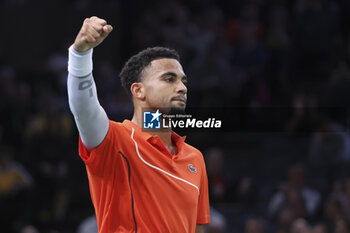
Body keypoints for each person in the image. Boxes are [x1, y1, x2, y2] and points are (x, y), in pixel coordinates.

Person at [67, 16, 210, 233]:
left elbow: (197, 228)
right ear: (138, 90)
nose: (182, 88)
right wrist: (80, 53)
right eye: (169, 79)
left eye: (183, 80)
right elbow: (84, 109)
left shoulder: (195, 159)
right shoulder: (115, 140)